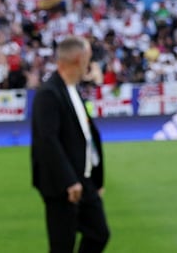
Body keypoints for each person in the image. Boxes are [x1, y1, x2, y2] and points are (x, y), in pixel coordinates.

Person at [31, 35, 110, 253]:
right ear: (78, 59)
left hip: (83, 181)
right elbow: (48, 140)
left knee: (99, 233)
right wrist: (68, 181)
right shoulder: (49, 93)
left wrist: (97, 178)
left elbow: (87, 137)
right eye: (88, 59)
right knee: (62, 246)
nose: (90, 64)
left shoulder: (72, 90)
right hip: (62, 184)